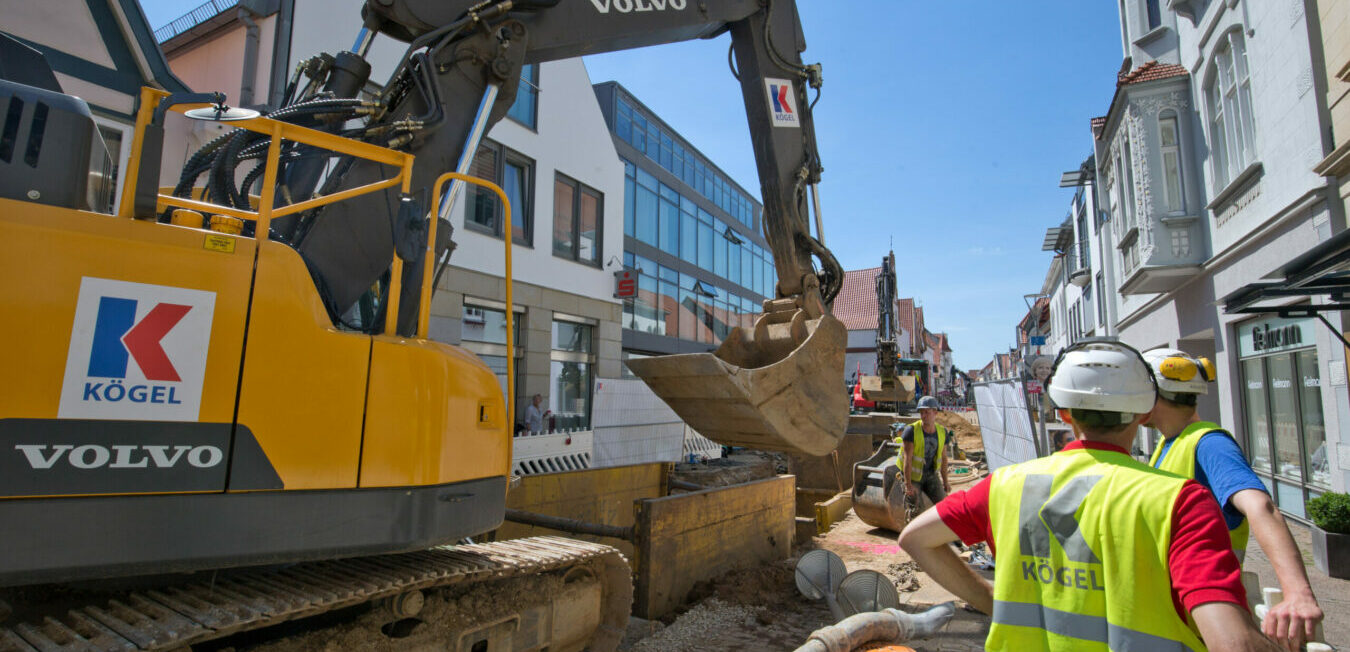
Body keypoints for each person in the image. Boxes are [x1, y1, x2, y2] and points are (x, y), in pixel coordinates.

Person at [899, 340, 1278, 651]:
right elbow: (1233, 643)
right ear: (1143, 412)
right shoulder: (1182, 503)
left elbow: (915, 538)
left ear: (1063, 414)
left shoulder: (1005, 486)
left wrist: (989, 599)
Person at [1143, 348, 1323, 649]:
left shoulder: (1209, 444)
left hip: (1212, 621)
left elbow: (1260, 506)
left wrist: (1297, 593)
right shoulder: (1170, 442)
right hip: (1189, 616)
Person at [898, 396, 950, 509]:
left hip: (930, 474)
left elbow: (944, 458)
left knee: (944, 507)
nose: (923, 415)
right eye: (921, 412)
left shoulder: (942, 432)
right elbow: (907, 459)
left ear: (935, 412)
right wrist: (907, 484)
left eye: (927, 412)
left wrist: (945, 482)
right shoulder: (911, 431)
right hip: (912, 476)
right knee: (916, 509)